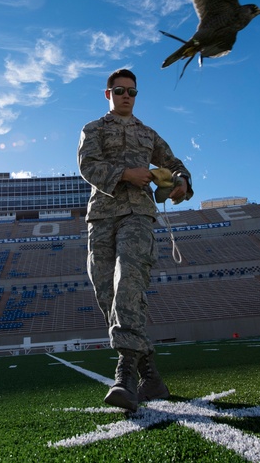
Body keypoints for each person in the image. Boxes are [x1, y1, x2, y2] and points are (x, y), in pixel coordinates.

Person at [77, 68, 193, 411]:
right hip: (101, 216)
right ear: (108, 94)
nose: (126, 95)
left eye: (132, 91)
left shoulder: (148, 134)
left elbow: (174, 164)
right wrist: (126, 173)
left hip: (138, 214)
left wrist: (182, 182)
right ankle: (151, 377)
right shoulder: (93, 129)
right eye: (119, 90)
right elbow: (87, 165)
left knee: (129, 279)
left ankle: (125, 375)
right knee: (106, 293)